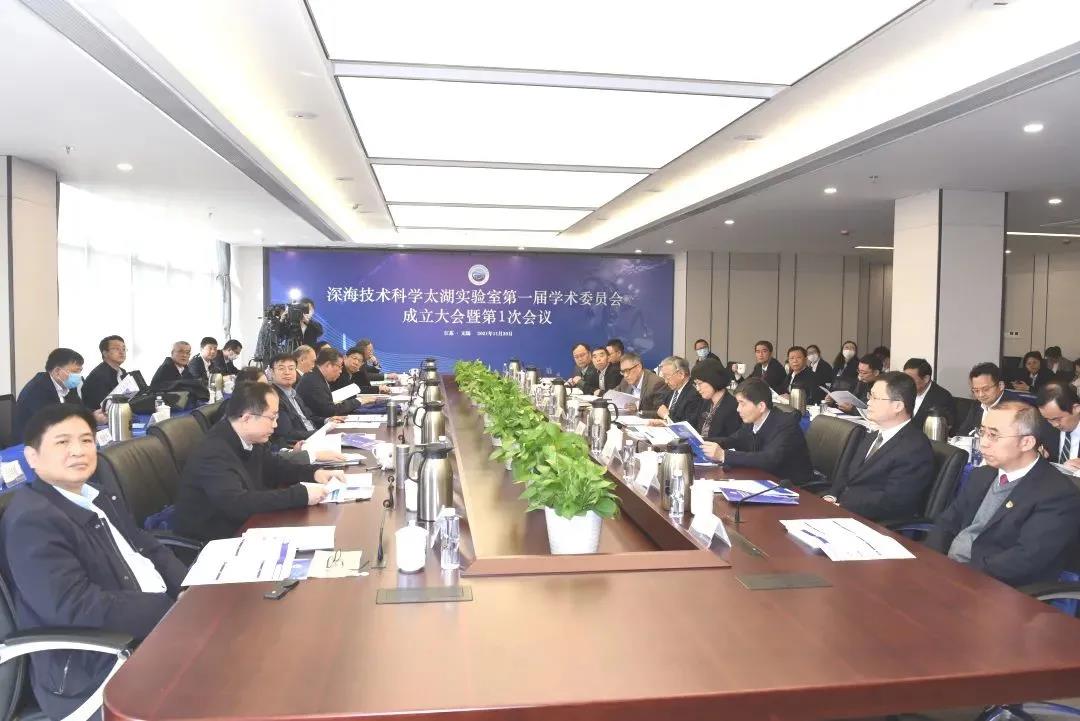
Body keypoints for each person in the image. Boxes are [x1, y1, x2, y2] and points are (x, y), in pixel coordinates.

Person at [0, 404, 186, 720]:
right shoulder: (32, 521)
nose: (79, 451)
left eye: (86, 440)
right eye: (62, 442)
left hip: (150, 626)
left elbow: (146, 544)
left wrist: (186, 588)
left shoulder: (95, 495)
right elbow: (75, 606)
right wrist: (168, 609)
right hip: (97, 662)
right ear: (32, 457)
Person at [927, 402, 1080, 587]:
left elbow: (1025, 559)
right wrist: (929, 560)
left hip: (994, 587)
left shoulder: (1057, 494)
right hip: (949, 571)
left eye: (994, 435)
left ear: (1026, 442)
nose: (983, 443)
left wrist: (959, 575)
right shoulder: (982, 474)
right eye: (982, 432)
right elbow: (948, 522)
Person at [173, 381, 336, 542]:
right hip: (215, 539)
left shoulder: (250, 438)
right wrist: (301, 495)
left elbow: (275, 467)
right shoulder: (213, 452)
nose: (275, 425)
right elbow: (238, 504)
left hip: (247, 525)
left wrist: (314, 473)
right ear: (247, 418)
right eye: (271, 418)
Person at [823, 372, 935, 521]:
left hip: (871, 522)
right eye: (870, 396)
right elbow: (847, 474)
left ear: (897, 406)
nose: (868, 402)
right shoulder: (872, 436)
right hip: (842, 511)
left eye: (875, 398)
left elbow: (893, 501)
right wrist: (832, 496)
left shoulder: (915, 448)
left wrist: (842, 505)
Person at [700, 378, 811, 485]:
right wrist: (701, 440)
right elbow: (733, 440)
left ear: (761, 406)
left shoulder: (785, 424)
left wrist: (723, 455)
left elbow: (769, 459)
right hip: (762, 479)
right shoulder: (751, 422)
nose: (738, 409)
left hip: (792, 487)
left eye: (742, 403)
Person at [14, 348, 107, 439]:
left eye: (80, 371)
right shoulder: (37, 390)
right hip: (32, 440)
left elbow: (78, 410)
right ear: (57, 371)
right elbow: (51, 423)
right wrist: (91, 419)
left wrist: (93, 414)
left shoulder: (68, 385)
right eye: (74, 372)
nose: (78, 376)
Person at [298, 347, 382, 418]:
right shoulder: (313, 381)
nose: (341, 371)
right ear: (328, 365)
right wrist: (359, 401)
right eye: (339, 367)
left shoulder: (317, 377)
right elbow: (329, 411)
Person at [955, 362, 1021, 436]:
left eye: (986, 389)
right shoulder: (977, 404)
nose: (981, 395)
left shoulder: (1014, 407)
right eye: (976, 390)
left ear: (1000, 386)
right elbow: (962, 433)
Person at [690, 359, 741, 440]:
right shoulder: (705, 402)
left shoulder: (733, 406)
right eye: (696, 384)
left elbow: (733, 440)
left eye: (699, 383)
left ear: (713, 379)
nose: (697, 389)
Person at [902, 358, 956, 432]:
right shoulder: (902, 392)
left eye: (911, 379)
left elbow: (941, 430)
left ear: (926, 379)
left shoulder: (942, 398)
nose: (906, 383)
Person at [1037, 384, 1080, 469]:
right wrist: (1037, 455)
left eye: (1057, 419)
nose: (1054, 424)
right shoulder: (1044, 425)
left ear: (1076, 408)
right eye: (1047, 419)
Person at [82, 335, 129, 411]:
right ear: (105, 353)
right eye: (116, 349)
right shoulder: (98, 376)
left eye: (123, 349)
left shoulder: (122, 372)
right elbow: (102, 406)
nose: (121, 352)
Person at [652, 356, 703, 425]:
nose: (666, 381)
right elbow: (661, 411)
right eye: (664, 377)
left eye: (667, 377)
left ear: (681, 374)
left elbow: (689, 425)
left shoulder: (695, 393)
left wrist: (667, 416)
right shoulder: (671, 389)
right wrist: (662, 422)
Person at [615, 351, 670, 416]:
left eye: (627, 370)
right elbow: (614, 393)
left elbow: (661, 412)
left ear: (639, 367)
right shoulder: (625, 381)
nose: (625, 375)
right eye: (623, 372)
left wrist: (637, 410)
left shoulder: (656, 383)